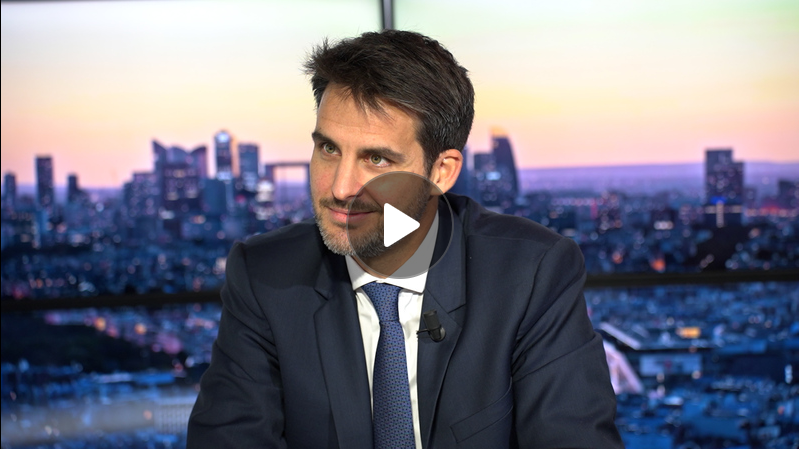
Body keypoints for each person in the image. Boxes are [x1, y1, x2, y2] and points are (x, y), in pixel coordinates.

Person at [187, 30, 623, 448]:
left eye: (376, 159)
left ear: (441, 172)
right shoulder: (265, 276)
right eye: (329, 149)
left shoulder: (531, 274)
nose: (340, 187)